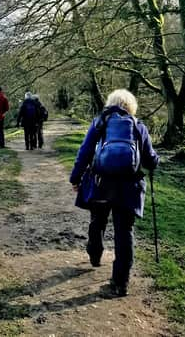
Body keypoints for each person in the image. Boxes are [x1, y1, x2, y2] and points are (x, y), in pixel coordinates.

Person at [69, 89, 159, 297]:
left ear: (110, 104)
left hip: (101, 182)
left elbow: (84, 152)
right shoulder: (138, 126)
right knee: (124, 231)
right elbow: (149, 158)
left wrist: (76, 178)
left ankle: (95, 253)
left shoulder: (100, 122)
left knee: (97, 220)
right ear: (131, 106)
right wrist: (155, 161)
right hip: (128, 187)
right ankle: (120, 283)